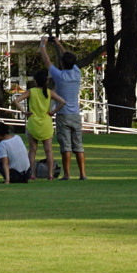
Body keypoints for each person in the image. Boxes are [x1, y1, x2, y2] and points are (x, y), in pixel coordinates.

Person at [40, 32, 89, 181]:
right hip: (75, 114)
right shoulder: (77, 73)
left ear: (62, 63)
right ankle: (82, 174)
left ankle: (67, 174)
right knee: (78, 145)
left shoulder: (60, 76)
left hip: (63, 114)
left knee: (65, 146)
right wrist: (59, 44)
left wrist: (43, 45)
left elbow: (47, 62)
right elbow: (68, 58)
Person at [25, 68, 62, 179]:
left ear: (35, 81)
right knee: (49, 150)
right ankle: (50, 174)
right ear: (46, 81)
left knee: (32, 150)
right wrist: (53, 112)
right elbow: (62, 102)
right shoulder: (49, 92)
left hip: (33, 123)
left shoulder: (31, 91)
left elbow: (16, 100)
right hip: (46, 123)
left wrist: (24, 111)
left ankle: (31, 174)